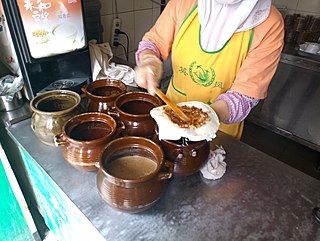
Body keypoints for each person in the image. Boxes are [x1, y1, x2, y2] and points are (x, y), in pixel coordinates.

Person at [134, 0, 284, 139]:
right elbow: (153, 43)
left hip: (221, 129)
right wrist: (149, 60)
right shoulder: (183, 2)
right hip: (169, 115)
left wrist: (201, 118)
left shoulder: (269, 22)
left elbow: (244, 96)